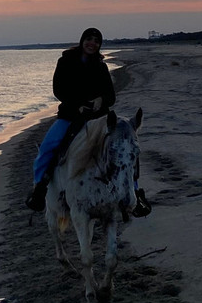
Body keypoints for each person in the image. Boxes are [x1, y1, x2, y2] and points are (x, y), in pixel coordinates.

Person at [25, 27, 150, 216]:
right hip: (70, 116)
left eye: (96, 41)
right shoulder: (65, 61)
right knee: (47, 148)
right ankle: (39, 189)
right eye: (89, 39)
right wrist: (77, 105)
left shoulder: (101, 66)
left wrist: (101, 100)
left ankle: (135, 192)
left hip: (99, 118)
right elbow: (58, 89)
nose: (92, 43)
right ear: (83, 40)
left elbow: (110, 95)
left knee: (127, 145)